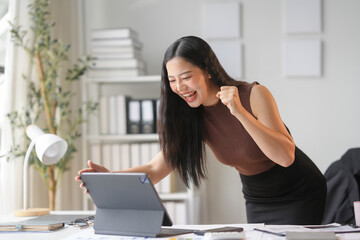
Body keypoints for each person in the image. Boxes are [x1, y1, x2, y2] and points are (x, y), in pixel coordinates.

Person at [76, 36, 327, 224]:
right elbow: (155, 169)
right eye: (172, 80)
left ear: (207, 70)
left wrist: (239, 112)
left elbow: (285, 157)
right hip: (256, 197)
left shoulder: (253, 94)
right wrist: (110, 177)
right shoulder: (190, 115)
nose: (180, 87)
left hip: (299, 192)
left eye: (186, 77)